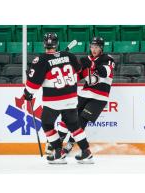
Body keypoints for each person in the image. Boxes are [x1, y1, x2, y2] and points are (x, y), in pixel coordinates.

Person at [23, 32, 93, 164]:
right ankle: (86, 152)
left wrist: (27, 93)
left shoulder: (41, 60)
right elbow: (79, 71)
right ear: (57, 44)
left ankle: (58, 152)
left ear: (44, 44)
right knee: (74, 126)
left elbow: (33, 85)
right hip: (71, 99)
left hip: (54, 101)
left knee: (47, 124)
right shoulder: (69, 55)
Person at [57, 36, 115, 154]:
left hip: (99, 97)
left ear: (101, 48)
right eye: (92, 47)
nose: (94, 49)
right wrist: (64, 68)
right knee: (69, 116)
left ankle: (69, 145)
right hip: (85, 94)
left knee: (81, 120)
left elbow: (104, 73)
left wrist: (92, 64)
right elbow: (77, 77)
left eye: (97, 47)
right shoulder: (87, 59)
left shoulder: (108, 59)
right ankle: (57, 143)